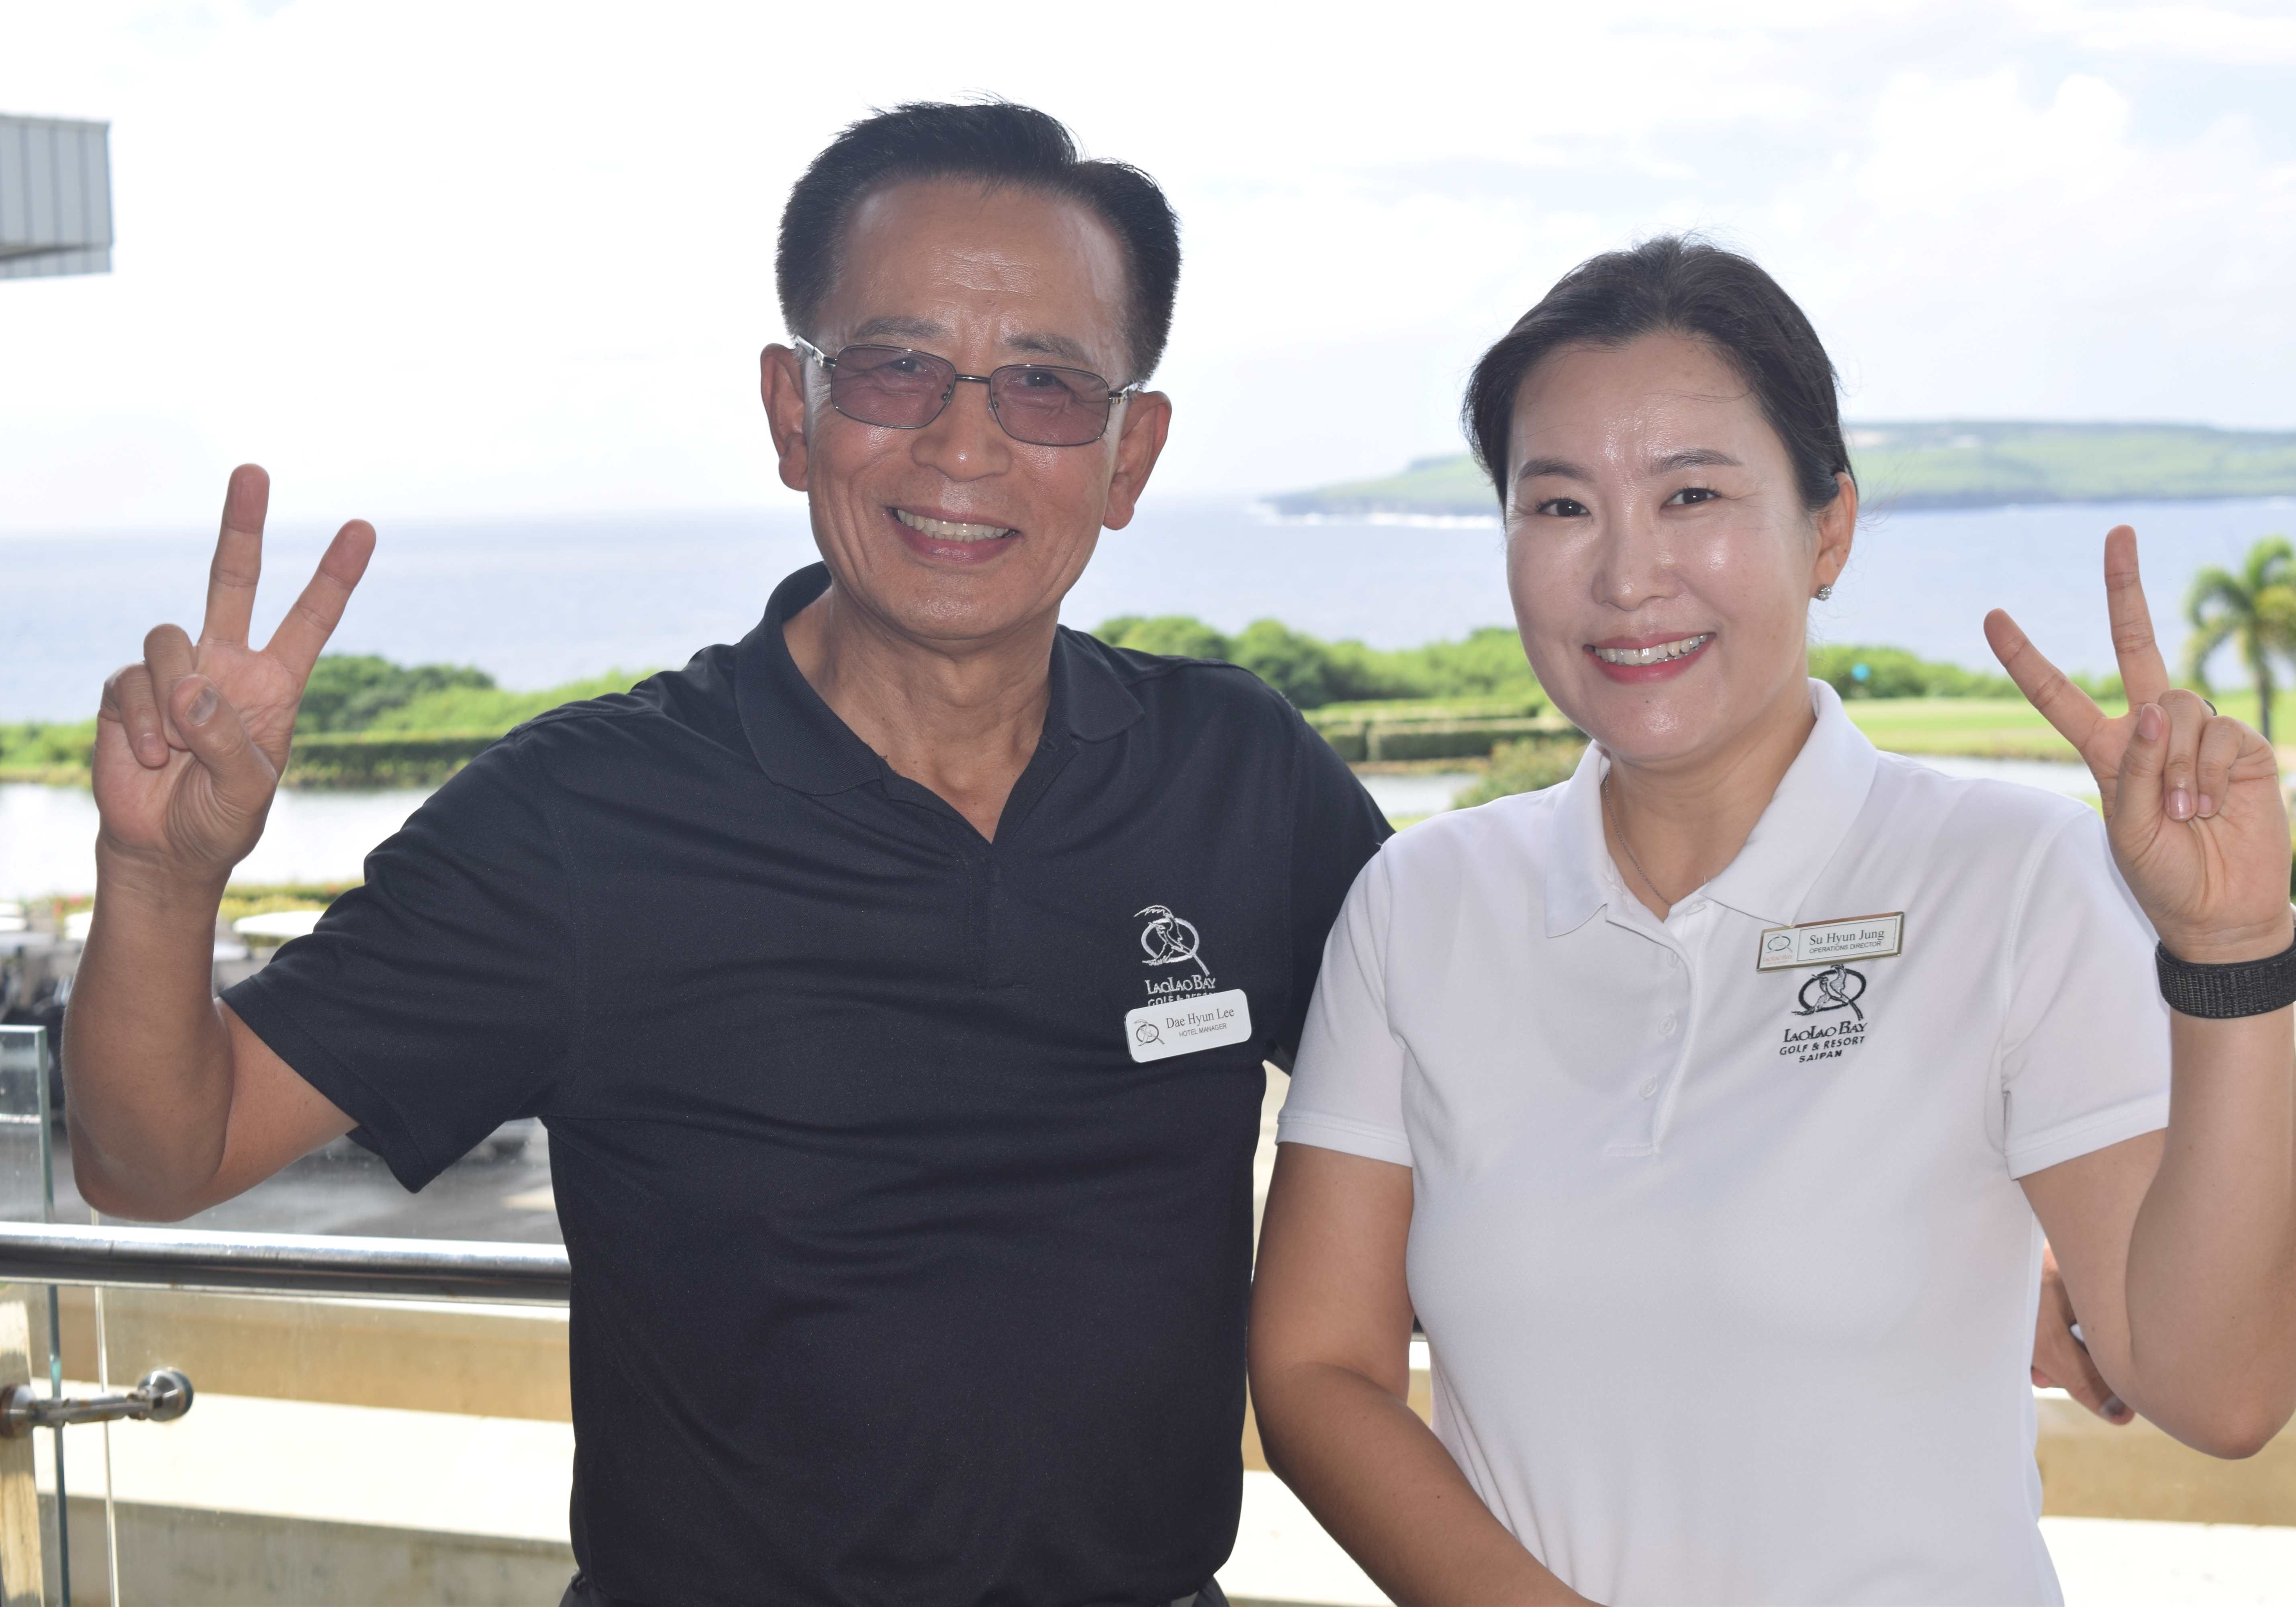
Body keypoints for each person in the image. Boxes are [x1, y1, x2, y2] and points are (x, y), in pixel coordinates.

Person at [64, 100, 1389, 1607]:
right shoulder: (584, 819)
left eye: (1046, 385)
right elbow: (154, 1159)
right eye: (894, 368)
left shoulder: (1238, 773)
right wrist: (160, 882)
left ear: (1129, 455)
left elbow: (1486, 1092)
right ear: (790, 412)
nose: (964, 444)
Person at [1248, 237, 2296, 1605]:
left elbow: (2224, 1393)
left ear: (1829, 530)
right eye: (1560, 505)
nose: (1627, 575)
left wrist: (2229, 955)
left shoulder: (2010, 875)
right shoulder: (1423, 902)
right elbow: (1316, 1366)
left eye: (1691, 494)